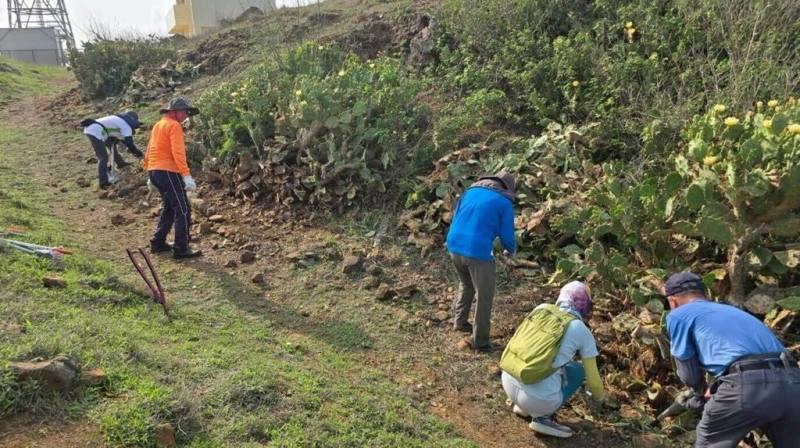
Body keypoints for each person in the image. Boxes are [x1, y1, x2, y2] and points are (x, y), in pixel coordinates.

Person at [664, 271, 800, 448]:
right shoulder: (732, 311)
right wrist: (715, 389)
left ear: (672, 300)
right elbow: (748, 359)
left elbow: (688, 371)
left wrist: (698, 391)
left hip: (747, 387)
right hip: (793, 383)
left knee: (710, 441)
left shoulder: (679, 314)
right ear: (703, 294)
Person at [499, 281, 606, 438]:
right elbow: (594, 383)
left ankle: (523, 407)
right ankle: (542, 417)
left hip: (508, 381)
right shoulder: (580, 329)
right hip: (537, 400)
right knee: (577, 370)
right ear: (585, 305)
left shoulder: (541, 308)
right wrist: (600, 400)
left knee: (553, 361)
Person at [446, 171, 517, 351]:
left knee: (466, 283)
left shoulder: (469, 193)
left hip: (453, 244)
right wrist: (512, 251)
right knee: (484, 296)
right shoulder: (504, 202)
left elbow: (456, 218)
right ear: (506, 188)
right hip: (476, 250)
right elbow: (507, 235)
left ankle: (460, 322)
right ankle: (481, 342)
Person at [144, 98, 202, 259]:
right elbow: (178, 152)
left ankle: (158, 242)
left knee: (169, 207)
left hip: (155, 170)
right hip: (168, 171)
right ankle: (181, 248)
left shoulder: (159, 124)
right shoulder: (174, 125)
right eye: (184, 112)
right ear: (173, 112)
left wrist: (149, 170)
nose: (186, 116)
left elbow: (150, 148)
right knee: (183, 209)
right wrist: (186, 174)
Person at [82, 111, 144, 188]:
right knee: (103, 157)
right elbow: (130, 145)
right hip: (94, 131)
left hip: (101, 131)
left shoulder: (119, 121)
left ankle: (120, 163)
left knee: (112, 144)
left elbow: (118, 137)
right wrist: (139, 154)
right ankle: (103, 182)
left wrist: (123, 144)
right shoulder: (126, 127)